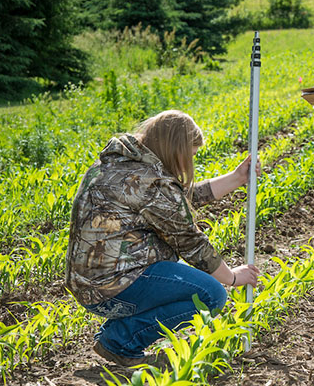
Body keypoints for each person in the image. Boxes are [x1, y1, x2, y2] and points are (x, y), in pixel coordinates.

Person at [65, 110, 261, 367]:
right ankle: (121, 340)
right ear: (175, 148)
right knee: (211, 294)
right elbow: (190, 241)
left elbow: (175, 202)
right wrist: (233, 277)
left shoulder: (121, 165)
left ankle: (119, 333)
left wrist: (237, 178)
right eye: (189, 155)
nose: (189, 162)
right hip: (111, 288)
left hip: (91, 284)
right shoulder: (150, 182)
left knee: (191, 283)